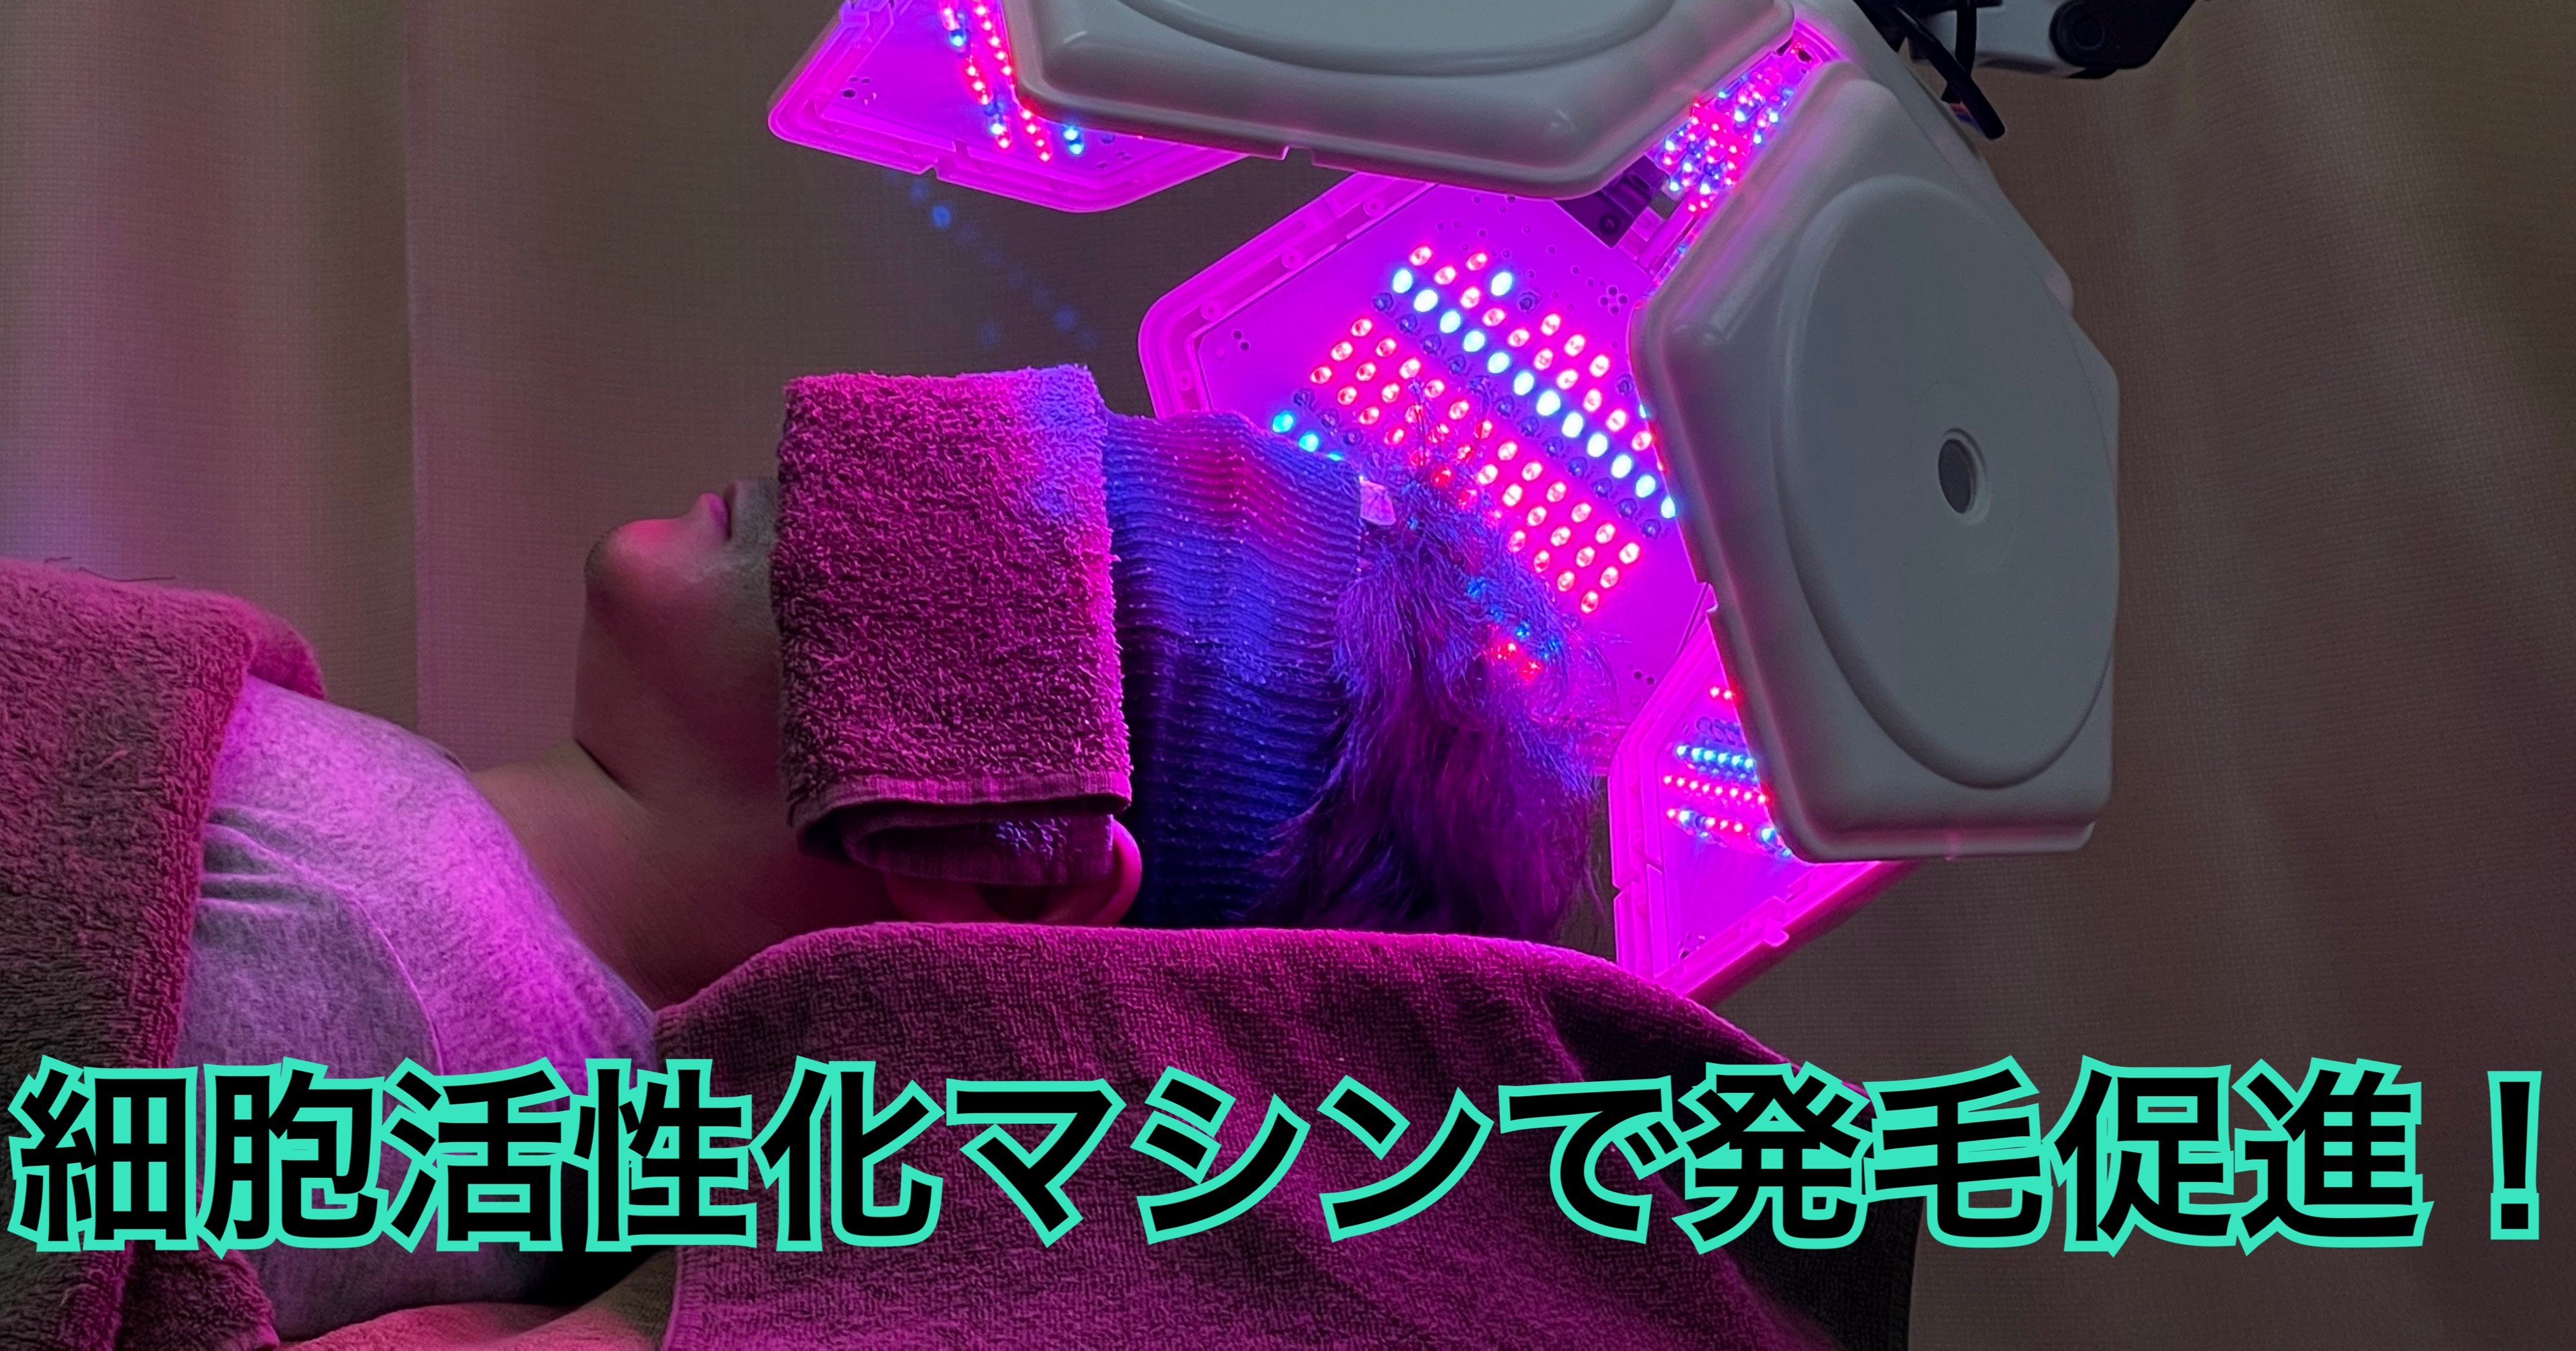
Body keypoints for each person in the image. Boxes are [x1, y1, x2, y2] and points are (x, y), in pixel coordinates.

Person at [176, 447, 1597, 1339]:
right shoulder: (423, 946)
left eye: (1011, 524)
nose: (843, 456)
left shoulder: (345, 988)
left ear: (1011, 875)